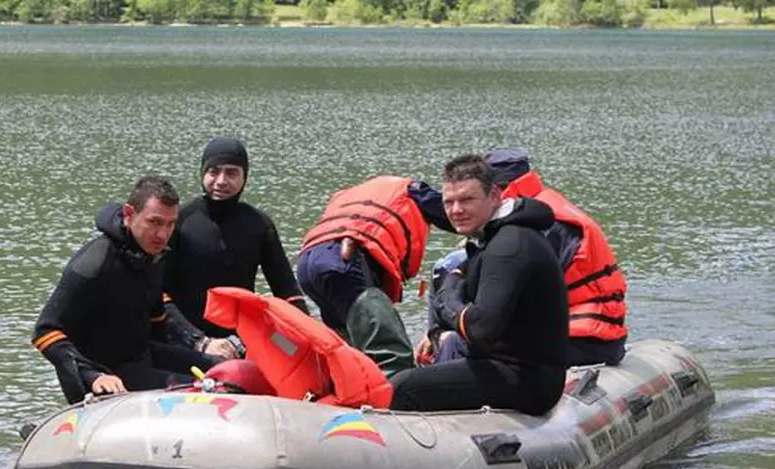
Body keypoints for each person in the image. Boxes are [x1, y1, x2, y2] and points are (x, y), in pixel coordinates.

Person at [390, 154, 568, 415]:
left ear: (494, 196)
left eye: (466, 200)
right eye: (448, 202)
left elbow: (481, 329)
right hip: (504, 363)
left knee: (403, 388)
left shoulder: (509, 246)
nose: (456, 210)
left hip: (527, 379)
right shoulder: (495, 236)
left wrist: (446, 294)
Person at [417, 148, 628, 367]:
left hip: (581, 338)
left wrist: (446, 327)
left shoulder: (534, 230)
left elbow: (495, 304)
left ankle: (439, 360)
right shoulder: (542, 209)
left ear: (495, 193)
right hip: (594, 331)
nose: (458, 209)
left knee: (453, 332)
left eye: (471, 197)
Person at [32, 176, 218, 403]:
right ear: (129, 214)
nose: (163, 234)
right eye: (155, 222)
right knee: (207, 391)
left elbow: (158, 318)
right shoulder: (95, 263)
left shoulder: (154, 255)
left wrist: (200, 343)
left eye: (170, 224)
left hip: (142, 357)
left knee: (227, 372)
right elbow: (44, 331)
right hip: (107, 375)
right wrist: (93, 375)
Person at [162, 137, 308, 361]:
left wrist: (309, 339)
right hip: (190, 340)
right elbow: (159, 295)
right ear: (203, 173)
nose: (221, 181)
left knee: (295, 352)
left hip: (243, 338)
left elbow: (288, 291)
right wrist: (199, 341)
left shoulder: (259, 224)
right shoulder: (180, 222)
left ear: (244, 177)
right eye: (214, 172)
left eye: (231, 173)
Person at [296, 175, 454, 376]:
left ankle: (350, 387)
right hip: (345, 261)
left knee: (350, 348)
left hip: (308, 264)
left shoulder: (353, 192)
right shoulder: (413, 190)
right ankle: (396, 391)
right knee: (391, 355)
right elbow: (455, 216)